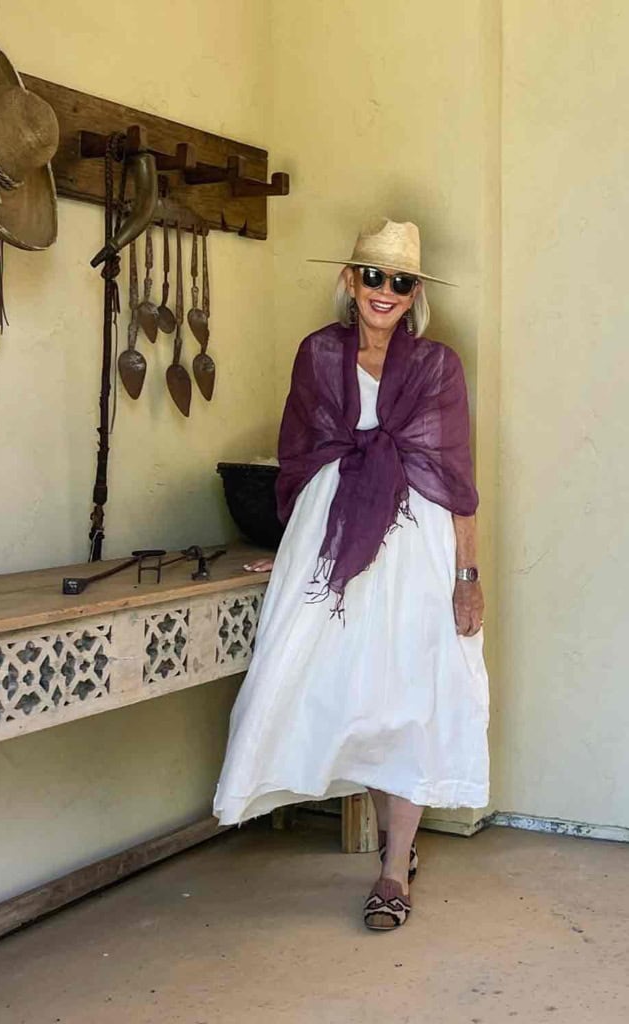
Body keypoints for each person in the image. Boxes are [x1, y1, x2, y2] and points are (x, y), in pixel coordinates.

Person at [213, 218, 489, 931]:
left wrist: (466, 573)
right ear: (348, 280)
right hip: (332, 546)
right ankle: (392, 851)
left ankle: (393, 870)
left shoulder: (435, 367)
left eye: (399, 282)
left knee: (412, 696)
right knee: (351, 695)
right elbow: (302, 459)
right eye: (373, 276)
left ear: (414, 294)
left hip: (415, 551)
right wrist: (296, 548)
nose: (384, 292)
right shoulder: (318, 355)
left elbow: (454, 477)